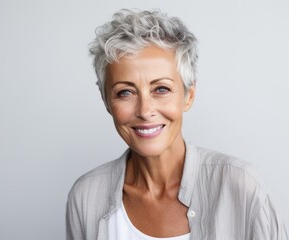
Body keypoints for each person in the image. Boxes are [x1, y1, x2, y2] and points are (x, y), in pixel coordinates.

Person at [66, 9, 288, 240]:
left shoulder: (243, 187)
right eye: (125, 92)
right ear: (106, 102)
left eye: (161, 89)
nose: (144, 110)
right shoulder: (86, 196)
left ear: (188, 96)